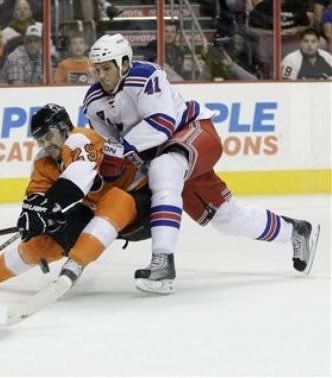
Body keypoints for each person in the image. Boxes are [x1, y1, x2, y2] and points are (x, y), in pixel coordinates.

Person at [84, 33, 319, 294]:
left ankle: (162, 262)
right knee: (228, 218)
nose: (101, 75)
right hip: (164, 156)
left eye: (106, 68)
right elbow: (108, 147)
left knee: (164, 168)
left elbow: (161, 125)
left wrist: (122, 149)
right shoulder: (93, 101)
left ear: (124, 63)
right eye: (96, 70)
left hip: (193, 131)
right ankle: (295, 230)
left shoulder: (147, 76)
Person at [0, 104, 152, 289]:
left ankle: (75, 264)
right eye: (40, 139)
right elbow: (35, 199)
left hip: (142, 206)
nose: (46, 144)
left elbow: (79, 177)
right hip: (97, 211)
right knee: (47, 239)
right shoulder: (43, 161)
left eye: (49, 136)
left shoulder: (80, 139)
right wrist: (30, 218)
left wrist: (47, 209)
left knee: (117, 198)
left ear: (64, 128)